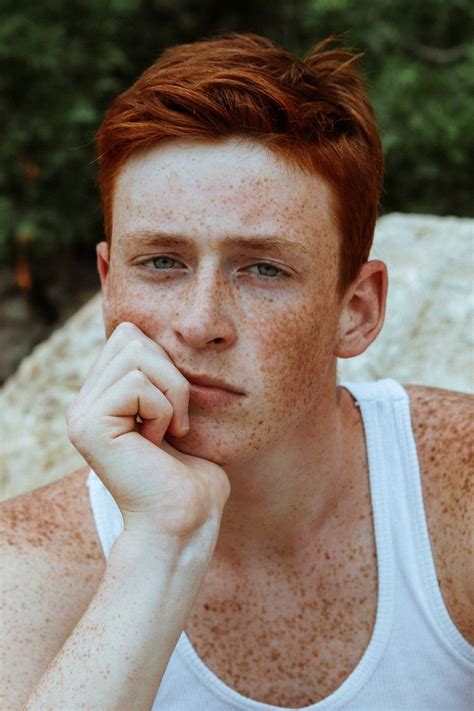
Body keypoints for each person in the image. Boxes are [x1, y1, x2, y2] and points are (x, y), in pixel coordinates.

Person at [1, 32, 472, 711]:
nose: (200, 322)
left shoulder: (458, 491)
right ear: (107, 288)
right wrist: (161, 544)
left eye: (264, 269)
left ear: (358, 309)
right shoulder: (25, 562)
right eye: (162, 262)